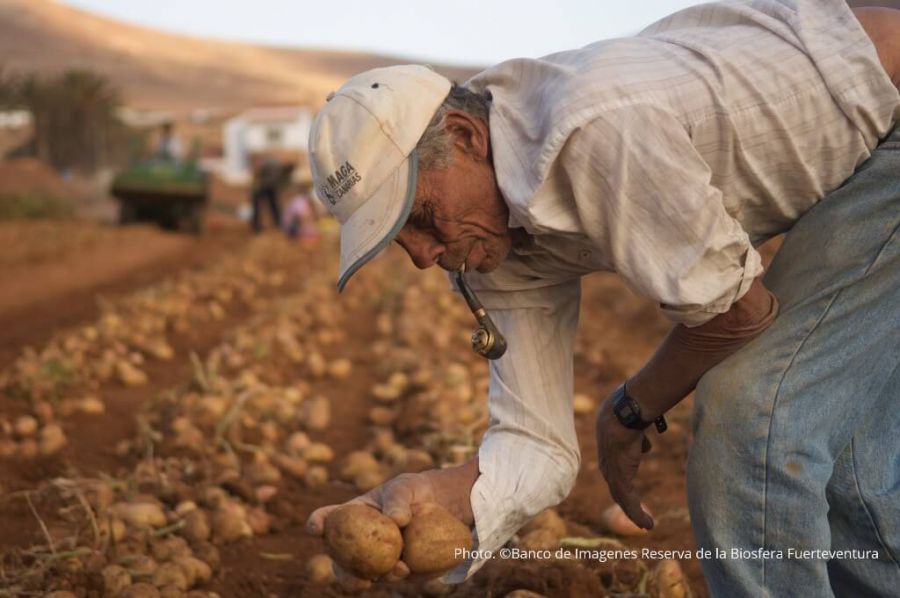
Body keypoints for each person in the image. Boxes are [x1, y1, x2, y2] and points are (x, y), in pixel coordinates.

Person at [305, 1, 900, 595]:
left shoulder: (588, 132)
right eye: (397, 240)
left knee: (755, 414)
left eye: (423, 218)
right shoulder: (485, 245)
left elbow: (739, 316)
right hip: (849, 140)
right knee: (842, 462)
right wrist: (444, 494)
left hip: (889, 121)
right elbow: (535, 445)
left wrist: (629, 408)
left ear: (465, 137)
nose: (422, 256)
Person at [250, 157, 290, 233]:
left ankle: (276, 222)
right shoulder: (276, 167)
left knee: (272, 204)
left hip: (267, 186)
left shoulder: (276, 166)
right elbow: (258, 170)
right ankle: (257, 225)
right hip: (261, 186)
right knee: (265, 205)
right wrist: (256, 184)